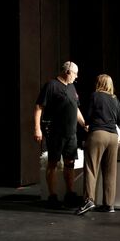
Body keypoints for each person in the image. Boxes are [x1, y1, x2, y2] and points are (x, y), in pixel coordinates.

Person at [33, 61, 88, 209]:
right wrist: (37, 128)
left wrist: (84, 124)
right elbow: (38, 107)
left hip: (71, 134)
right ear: (68, 72)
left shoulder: (72, 87)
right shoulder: (51, 86)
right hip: (56, 133)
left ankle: (70, 194)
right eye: (75, 74)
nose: (76, 77)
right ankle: (52, 196)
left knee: (70, 163)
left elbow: (76, 109)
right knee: (53, 163)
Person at [76, 74, 120, 215]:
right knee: (110, 171)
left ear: (98, 83)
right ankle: (109, 204)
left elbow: (88, 116)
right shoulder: (115, 99)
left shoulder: (95, 96)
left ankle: (88, 200)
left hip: (98, 134)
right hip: (113, 137)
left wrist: (89, 123)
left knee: (91, 168)